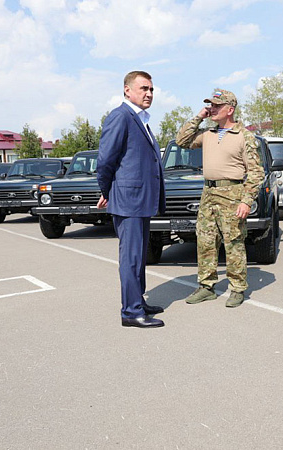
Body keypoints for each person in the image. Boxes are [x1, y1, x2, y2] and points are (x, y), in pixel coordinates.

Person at [176, 89, 263, 308]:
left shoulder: (244, 136)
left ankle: (237, 288)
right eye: (210, 105)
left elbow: (255, 172)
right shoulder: (208, 133)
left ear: (230, 109)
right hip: (209, 193)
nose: (212, 108)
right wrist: (199, 117)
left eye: (217, 105)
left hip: (232, 194)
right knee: (205, 241)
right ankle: (207, 287)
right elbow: (182, 141)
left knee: (233, 242)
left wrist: (246, 200)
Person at [96, 70, 166, 328]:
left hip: (140, 200)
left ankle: (139, 301)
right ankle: (131, 311)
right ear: (127, 90)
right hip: (129, 200)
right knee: (131, 257)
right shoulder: (121, 116)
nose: (149, 94)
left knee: (139, 255)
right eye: (143, 88)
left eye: (151, 90)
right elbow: (105, 161)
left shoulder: (141, 119)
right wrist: (107, 191)